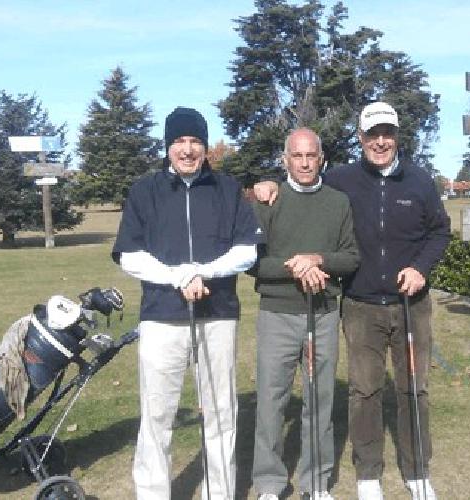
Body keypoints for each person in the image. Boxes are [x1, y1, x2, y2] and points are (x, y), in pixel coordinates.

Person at [252, 102, 452, 500]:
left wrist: (422, 268)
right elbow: (297, 187)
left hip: (411, 300)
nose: (381, 142)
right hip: (360, 304)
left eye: (388, 134)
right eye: (372, 134)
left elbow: (439, 232)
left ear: (397, 137)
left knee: (414, 388)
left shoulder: (420, 181)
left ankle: (416, 471)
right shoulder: (343, 180)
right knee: (364, 391)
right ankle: (367, 473)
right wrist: (264, 183)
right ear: (360, 139)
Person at [112, 106, 263, 500]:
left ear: (206, 146)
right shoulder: (145, 191)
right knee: (157, 417)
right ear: (167, 146)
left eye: (195, 141)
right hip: (162, 319)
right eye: (179, 141)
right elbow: (129, 254)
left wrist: (203, 272)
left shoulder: (227, 189)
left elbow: (247, 250)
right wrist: (178, 275)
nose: (187, 149)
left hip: (218, 317)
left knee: (220, 414)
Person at [248, 128, 360, 500]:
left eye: (311, 155)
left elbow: (351, 257)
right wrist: (295, 267)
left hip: (324, 313)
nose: (305, 162)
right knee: (271, 399)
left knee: (319, 399)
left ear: (322, 158)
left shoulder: (338, 202)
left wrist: (319, 260)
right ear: (285, 160)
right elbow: (254, 263)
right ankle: (268, 482)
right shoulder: (267, 201)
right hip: (277, 313)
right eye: (297, 156)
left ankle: (316, 482)